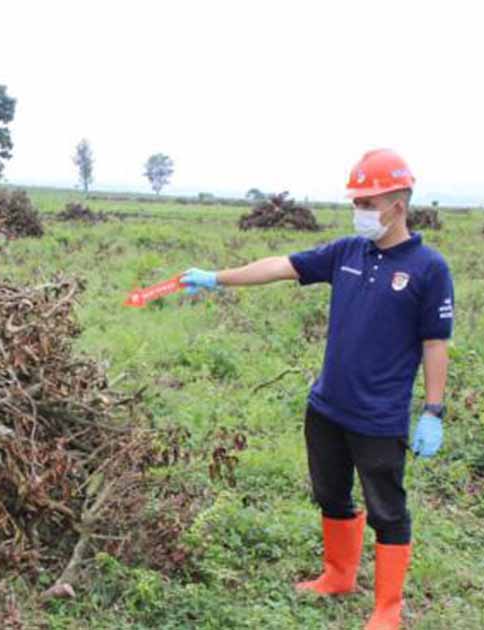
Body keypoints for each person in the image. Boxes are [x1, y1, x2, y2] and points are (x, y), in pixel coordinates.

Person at [179, 149, 453, 630]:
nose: (362, 210)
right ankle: (337, 576)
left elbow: (435, 343)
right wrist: (217, 279)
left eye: (371, 201)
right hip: (328, 407)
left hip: (379, 416)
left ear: (399, 202)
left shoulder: (430, 268)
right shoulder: (347, 252)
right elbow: (280, 266)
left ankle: (388, 610)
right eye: (358, 202)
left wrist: (433, 410)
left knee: (387, 510)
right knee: (330, 494)